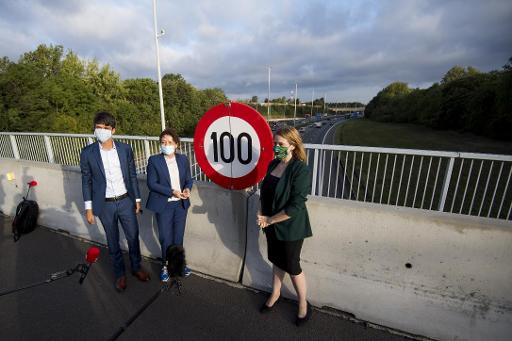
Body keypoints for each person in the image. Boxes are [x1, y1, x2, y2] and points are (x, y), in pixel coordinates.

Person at [80, 111, 150, 292]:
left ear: (113, 130)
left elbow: (132, 176)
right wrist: (89, 209)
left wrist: (137, 199)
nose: (101, 131)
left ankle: (136, 267)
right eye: (98, 127)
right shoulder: (87, 153)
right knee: (113, 242)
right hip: (105, 205)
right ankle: (120, 274)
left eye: (105, 128)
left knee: (133, 237)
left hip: (126, 201)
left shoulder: (125, 149)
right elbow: (86, 181)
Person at [257, 126, 313, 326]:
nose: (276, 147)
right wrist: (261, 212)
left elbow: (296, 205)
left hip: (290, 227)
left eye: (280, 144)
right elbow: (265, 192)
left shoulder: (300, 169)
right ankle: (275, 294)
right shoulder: (273, 165)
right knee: (276, 260)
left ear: (292, 145)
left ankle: (303, 305)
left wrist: (271, 219)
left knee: (292, 265)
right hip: (271, 224)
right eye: (274, 144)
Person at [146, 128, 193, 282]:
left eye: (169, 142)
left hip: (180, 205)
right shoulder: (154, 160)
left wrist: (187, 189)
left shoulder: (183, 160)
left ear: (176, 144)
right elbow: (151, 184)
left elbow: (188, 179)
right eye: (163, 142)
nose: (166, 145)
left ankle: (179, 265)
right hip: (164, 205)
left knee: (178, 238)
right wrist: (172, 191)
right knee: (166, 238)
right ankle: (166, 266)